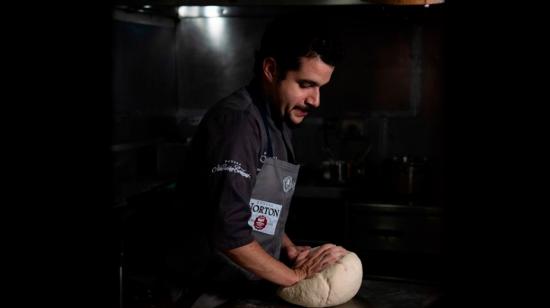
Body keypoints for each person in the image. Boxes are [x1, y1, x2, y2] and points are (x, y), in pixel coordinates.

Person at [173, 16, 348, 307]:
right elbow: (229, 233)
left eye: (320, 88)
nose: (315, 100)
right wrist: (296, 277)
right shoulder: (238, 124)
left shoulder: (276, 123)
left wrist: (290, 249)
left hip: (244, 290)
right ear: (271, 69)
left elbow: (255, 212)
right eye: (306, 84)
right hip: (208, 293)